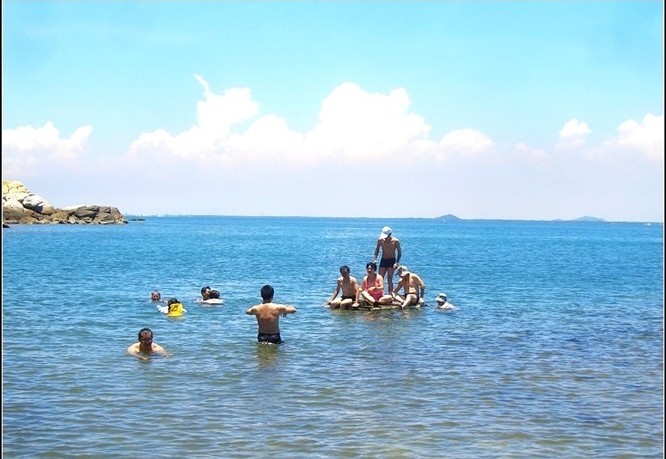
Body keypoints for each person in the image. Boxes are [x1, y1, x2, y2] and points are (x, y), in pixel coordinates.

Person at [373, 226, 402, 294]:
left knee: (389, 279)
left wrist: (396, 263)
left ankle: (390, 294)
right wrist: (375, 259)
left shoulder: (395, 241)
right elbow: (377, 250)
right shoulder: (380, 240)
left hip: (392, 261)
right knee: (380, 277)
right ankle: (378, 293)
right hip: (383, 260)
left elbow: (399, 253)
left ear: (390, 234)